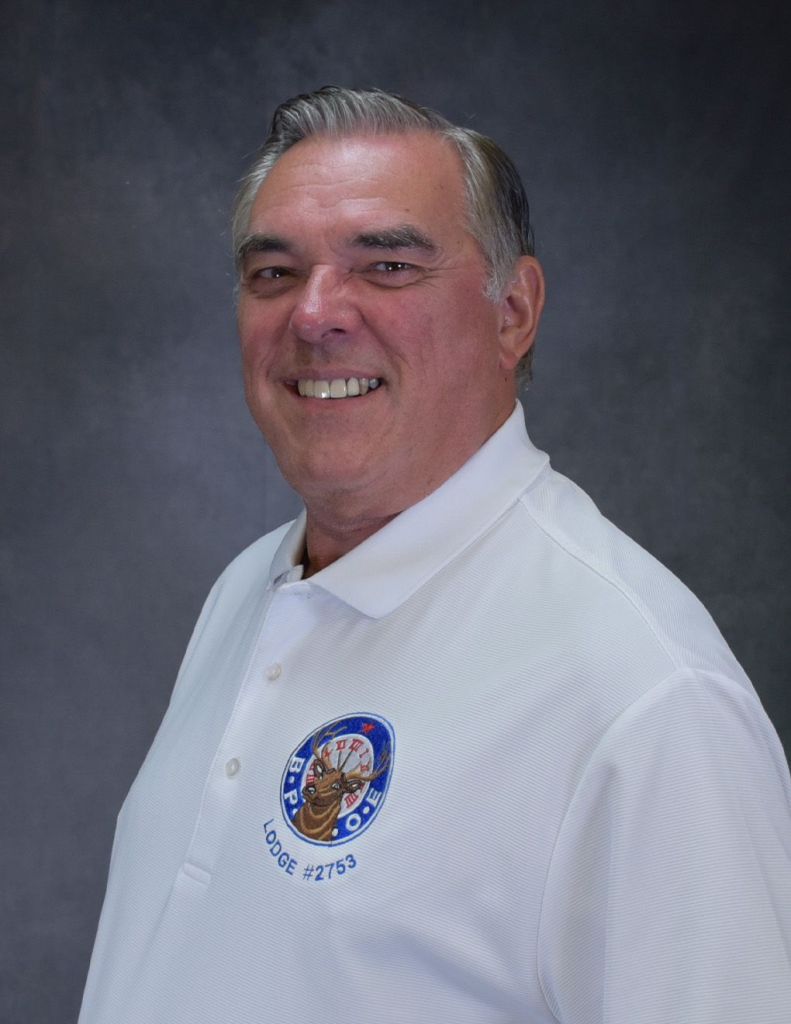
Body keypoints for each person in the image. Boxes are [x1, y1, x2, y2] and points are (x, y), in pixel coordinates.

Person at [78, 86, 791, 1024]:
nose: (314, 314)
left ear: (513, 311)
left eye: (386, 265)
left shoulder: (644, 699)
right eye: (273, 273)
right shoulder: (247, 589)